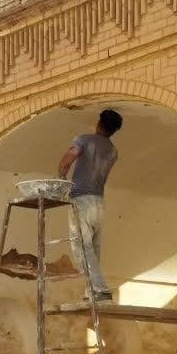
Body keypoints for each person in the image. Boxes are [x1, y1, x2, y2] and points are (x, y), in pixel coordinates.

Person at [58, 109, 122, 302]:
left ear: (98, 122)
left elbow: (66, 161)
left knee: (81, 246)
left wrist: (61, 179)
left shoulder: (84, 139)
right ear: (114, 130)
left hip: (81, 200)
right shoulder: (112, 151)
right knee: (93, 248)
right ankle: (91, 292)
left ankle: (100, 290)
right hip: (98, 202)